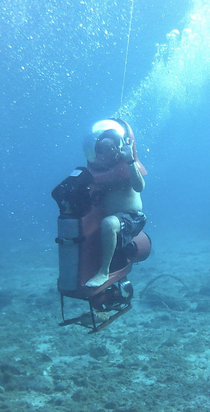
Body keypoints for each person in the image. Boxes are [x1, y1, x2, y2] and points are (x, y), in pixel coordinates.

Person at [83, 119, 146, 288]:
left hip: (132, 218)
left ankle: (103, 272)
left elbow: (139, 186)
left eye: (111, 148)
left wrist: (131, 160)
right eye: (103, 149)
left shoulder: (127, 164)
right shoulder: (98, 169)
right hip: (113, 217)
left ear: (119, 147)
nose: (108, 153)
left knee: (109, 223)